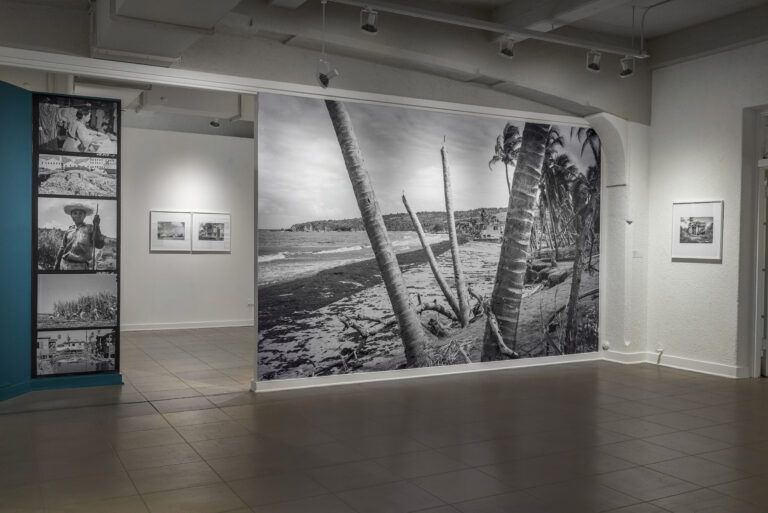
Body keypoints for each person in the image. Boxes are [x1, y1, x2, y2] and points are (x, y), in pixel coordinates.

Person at [54, 203, 104, 270]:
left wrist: (97, 226)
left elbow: (99, 245)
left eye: (80, 213)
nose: (78, 215)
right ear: (71, 216)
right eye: (75, 213)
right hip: (63, 264)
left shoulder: (90, 228)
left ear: (84, 216)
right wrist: (56, 265)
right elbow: (62, 248)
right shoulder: (68, 230)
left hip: (80, 266)